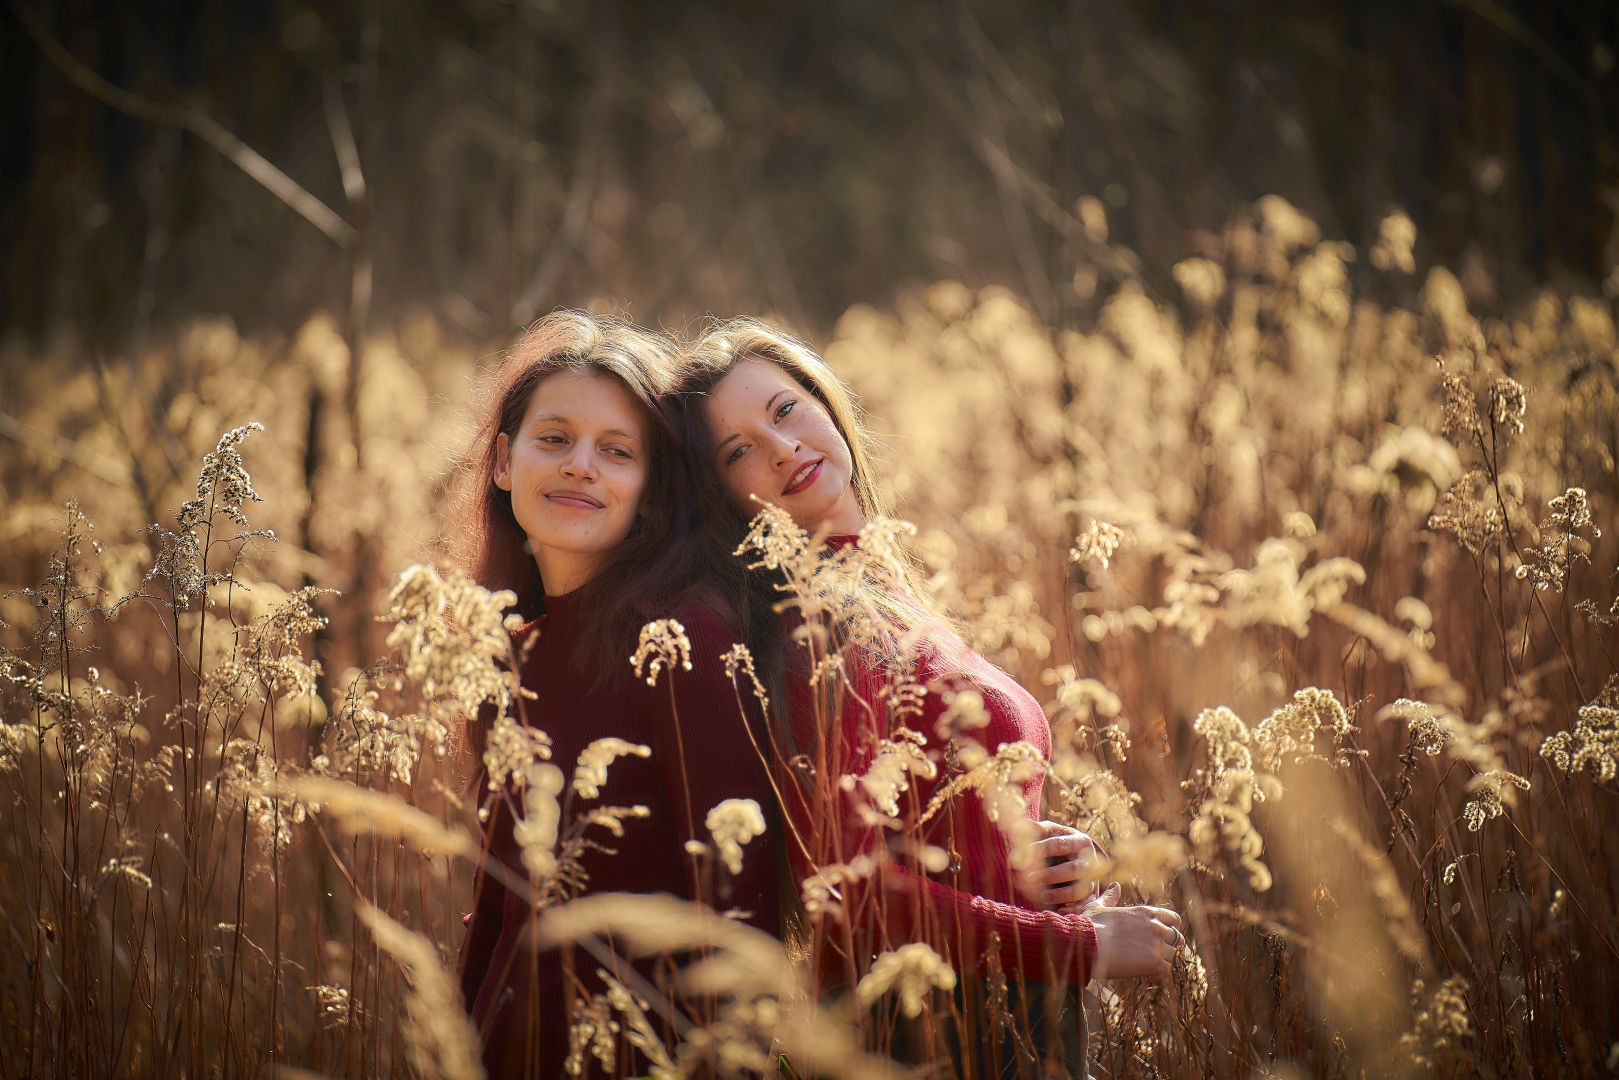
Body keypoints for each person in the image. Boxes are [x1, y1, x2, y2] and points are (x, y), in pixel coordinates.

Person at [674, 317, 1184, 1075]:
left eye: (784, 411)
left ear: (825, 403)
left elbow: (934, 836)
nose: (781, 449)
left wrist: (1048, 862)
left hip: (997, 1014)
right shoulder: (814, 629)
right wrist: (1085, 944)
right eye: (738, 451)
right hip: (928, 1035)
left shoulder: (879, 587)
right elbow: (856, 892)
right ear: (722, 496)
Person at [455, 311, 781, 1078]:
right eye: (554, 438)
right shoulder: (511, 646)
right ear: (504, 462)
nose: (580, 465)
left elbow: (740, 922)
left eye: (617, 451)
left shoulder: (683, 642)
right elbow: (499, 918)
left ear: (651, 487)